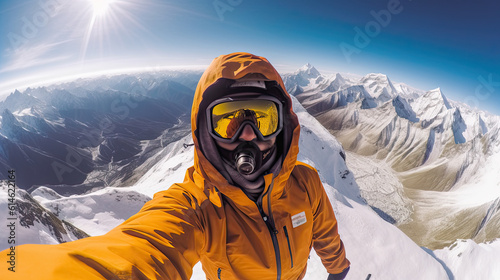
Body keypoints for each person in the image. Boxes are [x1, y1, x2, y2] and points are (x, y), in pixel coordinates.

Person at [1, 52, 350, 279]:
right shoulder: (196, 206)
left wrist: (337, 271)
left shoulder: (306, 183)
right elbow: (140, 249)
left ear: (283, 127)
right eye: (228, 120)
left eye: (262, 118)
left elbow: (325, 233)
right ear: (205, 133)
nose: (248, 135)